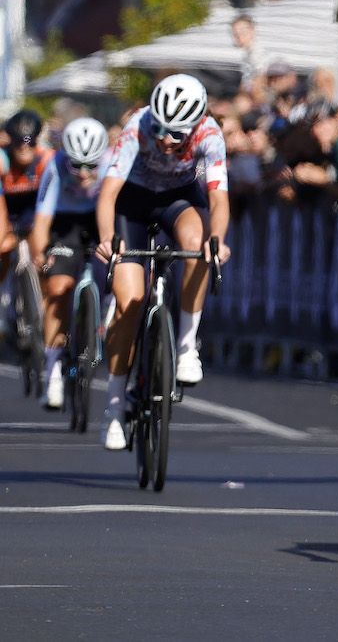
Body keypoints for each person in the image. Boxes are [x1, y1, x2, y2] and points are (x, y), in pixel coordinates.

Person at [95, 73, 232, 450]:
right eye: (158, 127)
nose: (162, 139)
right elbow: (108, 194)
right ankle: (115, 405)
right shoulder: (136, 127)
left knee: (198, 243)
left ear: (194, 128)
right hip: (132, 202)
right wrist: (108, 238)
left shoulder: (210, 135)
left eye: (175, 134)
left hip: (178, 198)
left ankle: (187, 346)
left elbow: (218, 199)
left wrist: (217, 242)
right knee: (130, 301)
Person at [29, 117, 109, 410]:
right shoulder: (54, 165)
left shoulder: (113, 162)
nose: (85, 174)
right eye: (77, 166)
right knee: (59, 286)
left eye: (92, 167)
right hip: (64, 223)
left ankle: (106, 320)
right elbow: (41, 222)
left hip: (101, 218)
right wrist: (41, 256)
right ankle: (52, 372)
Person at [1, 110, 55, 280]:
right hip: (6, 210)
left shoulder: (47, 159)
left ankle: (40, 292)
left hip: (34, 211)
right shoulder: (3, 161)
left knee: (42, 257)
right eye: (19, 142)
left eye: (30, 143)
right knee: (4, 247)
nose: (24, 147)